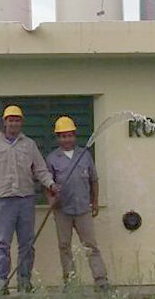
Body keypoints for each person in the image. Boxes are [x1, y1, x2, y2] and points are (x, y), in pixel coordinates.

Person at [0, 105, 59, 294]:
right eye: (10, 120)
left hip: (25, 200)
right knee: (2, 244)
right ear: (4, 122)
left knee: (27, 244)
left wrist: (51, 185)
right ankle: (1, 284)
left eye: (17, 120)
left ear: (21, 122)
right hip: (3, 201)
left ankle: (24, 281)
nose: (13, 123)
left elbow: (40, 170)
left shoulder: (29, 144)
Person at [45, 116, 110, 291]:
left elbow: (94, 181)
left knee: (90, 245)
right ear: (58, 138)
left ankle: (101, 280)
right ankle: (71, 282)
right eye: (63, 136)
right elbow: (46, 185)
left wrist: (95, 203)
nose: (67, 139)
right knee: (64, 246)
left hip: (83, 208)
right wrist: (51, 200)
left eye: (70, 135)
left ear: (74, 136)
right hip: (62, 210)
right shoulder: (52, 159)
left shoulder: (85, 155)